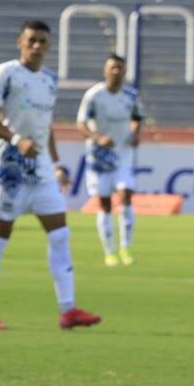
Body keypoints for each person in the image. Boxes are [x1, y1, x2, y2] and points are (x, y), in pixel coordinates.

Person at [0, 19, 99, 331]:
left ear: (50, 45)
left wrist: (55, 165)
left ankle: (67, 309)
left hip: (40, 169)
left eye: (43, 41)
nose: (37, 46)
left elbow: (46, 127)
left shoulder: (49, 80)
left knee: (60, 234)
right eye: (32, 40)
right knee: (0, 235)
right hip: (10, 169)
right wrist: (16, 140)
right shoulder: (5, 74)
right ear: (20, 42)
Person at [77, 55, 143, 267]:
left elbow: (137, 118)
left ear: (124, 72)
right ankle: (109, 251)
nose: (116, 71)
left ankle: (126, 247)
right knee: (104, 204)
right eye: (112, 68)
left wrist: (135, 133)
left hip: (123, 156)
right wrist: (98, 137)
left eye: (120, 68)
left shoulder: (131, 96)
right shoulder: (94, 95)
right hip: (99, 159)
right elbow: (81, 124)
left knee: (125, 196)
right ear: (105, 71)